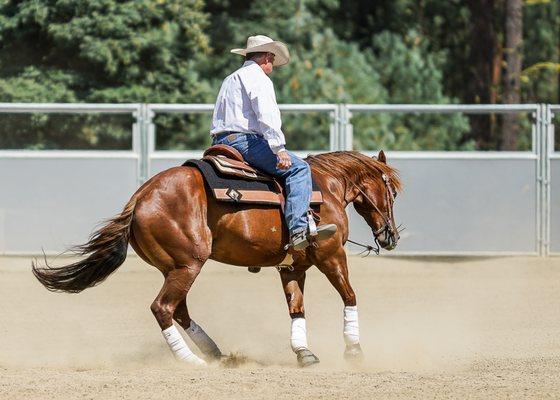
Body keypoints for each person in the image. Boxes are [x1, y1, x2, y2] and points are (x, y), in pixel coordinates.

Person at [210, 35, 336, 250]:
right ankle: (298, 230)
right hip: (244, 141)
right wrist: (279, 148)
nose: (273, 66)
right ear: (267, 57)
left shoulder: (231, 78)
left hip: (221, 140)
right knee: (299, 169)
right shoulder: (258, 78)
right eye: (273, 61)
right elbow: (266, 115)